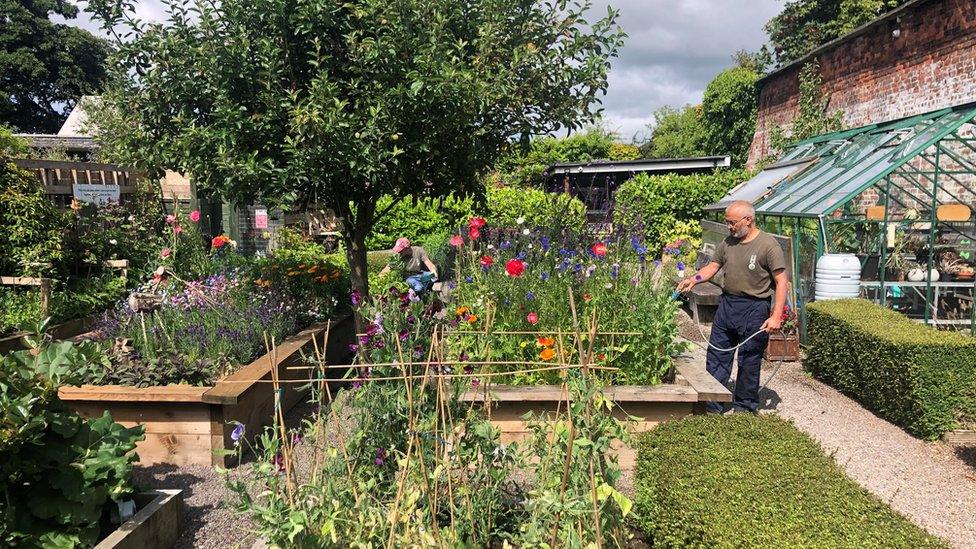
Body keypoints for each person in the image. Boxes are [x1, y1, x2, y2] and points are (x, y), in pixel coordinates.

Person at [675, 200, 788, 414]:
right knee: (717, 355)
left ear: (748, 220)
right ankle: (711, 405)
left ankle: (744, 408)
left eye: (732, 222)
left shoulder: (768, 245)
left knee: (749, 358)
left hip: (755, 307)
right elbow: (713, 266)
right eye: (727, 222)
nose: (729, 226)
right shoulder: (728, 243)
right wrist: (694, 279)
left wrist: (776, 316)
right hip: (727, 304)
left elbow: (782, 282)